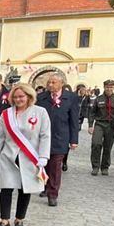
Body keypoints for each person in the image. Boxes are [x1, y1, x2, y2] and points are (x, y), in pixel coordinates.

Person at [0, 83, 51, 226]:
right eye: (15, 97)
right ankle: (4, 220)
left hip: (29, 157)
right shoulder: (6, 114)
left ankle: (19, 219)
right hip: (9, 156)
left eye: (21, 96)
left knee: (25, 189)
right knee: (6, 188)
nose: (18, 100)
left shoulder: (40, 112)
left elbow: (45, 135)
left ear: (29, 96)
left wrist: (43, 156)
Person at [36, 73, 78, 206]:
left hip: (60, 137)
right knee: (44, 164)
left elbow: (74, 120)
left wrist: (74, 140)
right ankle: (45, 185)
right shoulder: (41, 98)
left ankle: (53, 194)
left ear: (62, 83)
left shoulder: (71, 98)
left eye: (53, 83)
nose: (50, 85)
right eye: (49, 82)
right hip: (42, 137)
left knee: (55, 167)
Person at [88, 79, 114, 175]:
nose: (109, 89)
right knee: (96, 144)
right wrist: (91, 125)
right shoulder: (98, 99)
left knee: (107, 146)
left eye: (111, 87)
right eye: (107, 87)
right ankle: (95, 166)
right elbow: (92, 112)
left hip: (111, 125)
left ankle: (105, 167)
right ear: (104, 87)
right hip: (100, 123)